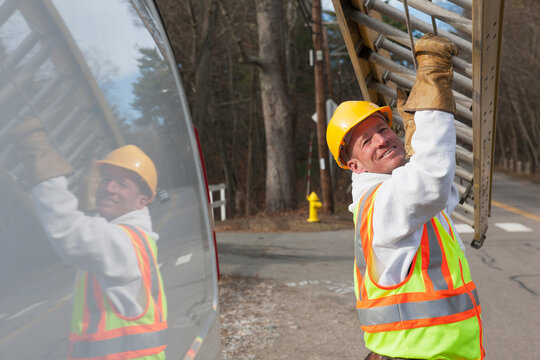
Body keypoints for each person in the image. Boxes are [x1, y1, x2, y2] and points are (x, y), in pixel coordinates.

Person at [326, 34, 484, 360]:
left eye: (382, 130)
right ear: (354, 165)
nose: (381, 140)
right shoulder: (381, 205)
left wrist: (415, 143)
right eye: (366, 141)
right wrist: (431, 94)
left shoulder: (400, 200)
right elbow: (432, 180)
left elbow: (442, 195)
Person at [13, 120, 167, 360]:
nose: (109, 188)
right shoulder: (131, 239)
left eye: (122, 184)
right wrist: (95, 213)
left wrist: (42, 164)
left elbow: (69, 232)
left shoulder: (125, 244)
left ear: (142, 200)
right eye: (106, 179)